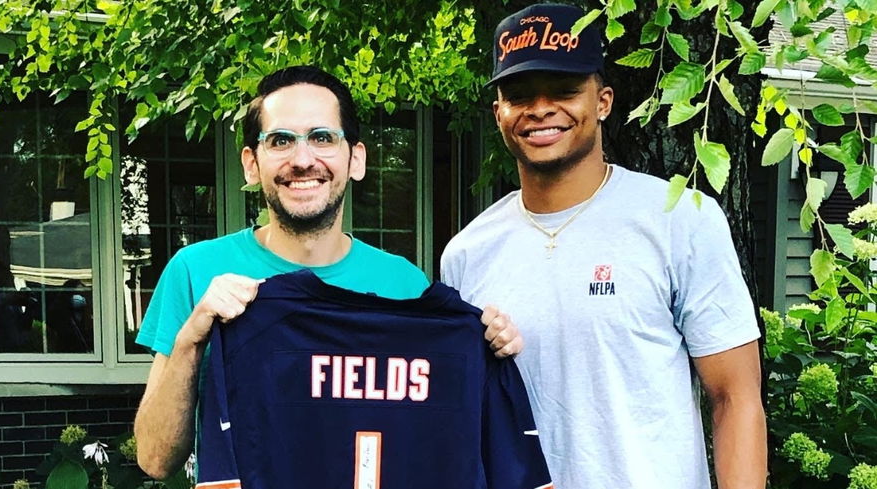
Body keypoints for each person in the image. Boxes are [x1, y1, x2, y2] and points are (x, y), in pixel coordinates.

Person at [133, 65, 521, 479]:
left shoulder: (405, 285)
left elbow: (440, 436)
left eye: (322, 138)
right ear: (251, 163)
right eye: (280, 141)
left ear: (355, 159)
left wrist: (490, 344)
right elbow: (155, 461)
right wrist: (193, 336)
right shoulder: (196, 271)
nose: (302, 160)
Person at [440, 4, 767, 489]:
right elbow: (465, 417)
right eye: (520, 95)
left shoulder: (679, 218)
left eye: (566, 90)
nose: (541, 109)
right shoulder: (467, 254)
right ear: (499, 113)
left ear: (603, 102)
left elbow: (735, 397)